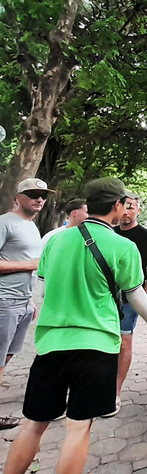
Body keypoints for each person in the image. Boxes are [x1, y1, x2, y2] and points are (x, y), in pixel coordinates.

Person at [4, 177, 147, 474]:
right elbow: (134, 293)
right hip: (97, 346)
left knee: (33, 425)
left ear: (89, 205)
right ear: (117, 205)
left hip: (51, 344)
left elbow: (43, 285)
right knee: (78, 428)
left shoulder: (55, 241)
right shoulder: (123, 245)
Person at [0, 178, 53, 430]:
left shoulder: (32, 226)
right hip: (3, 301)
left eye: (43, 195)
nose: (39, 199)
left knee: (8, 355)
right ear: (18, 197)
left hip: (22, 303)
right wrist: (33, 264)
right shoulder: (4, 223)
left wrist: (29, 302)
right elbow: (28, 263)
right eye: (33, 194)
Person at [113, 193, 147, 415]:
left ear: (138, 211)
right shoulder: (110, 233)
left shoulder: (145, 236)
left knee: (124, 342)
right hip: (105, 296)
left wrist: (146, 294)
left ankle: (116, 391)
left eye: (132, 207)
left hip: (130, 298)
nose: (127, 211)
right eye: (125, 206)